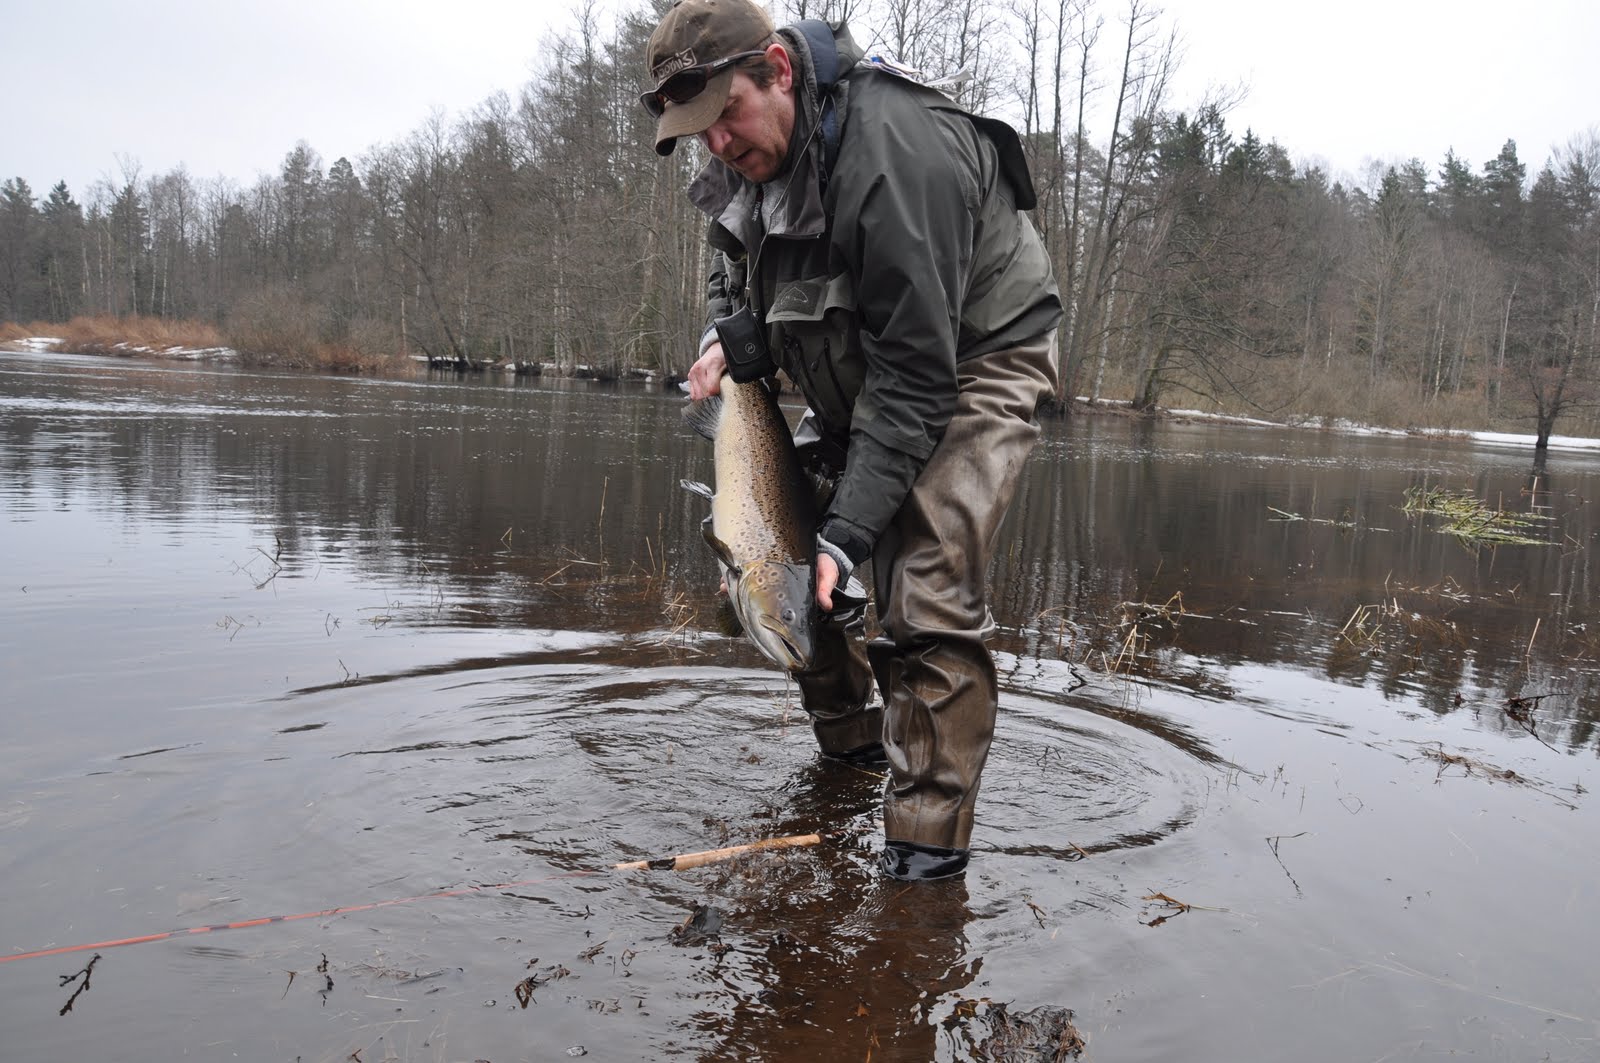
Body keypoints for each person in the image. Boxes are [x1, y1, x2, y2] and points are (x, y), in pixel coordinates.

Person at [642, 0, 1061, 881]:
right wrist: (741, 334)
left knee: (923, 592)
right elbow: (730, 268)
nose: (716, 144)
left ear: (779, 73)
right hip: (855, 360)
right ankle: (855, 759)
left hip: (974, 357)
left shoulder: (895, 157)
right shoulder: (740, 159)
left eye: (725, 116)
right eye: (698, 130)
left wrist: (850, 530)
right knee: (789, 576)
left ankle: (922, 870)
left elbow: (917, 382)